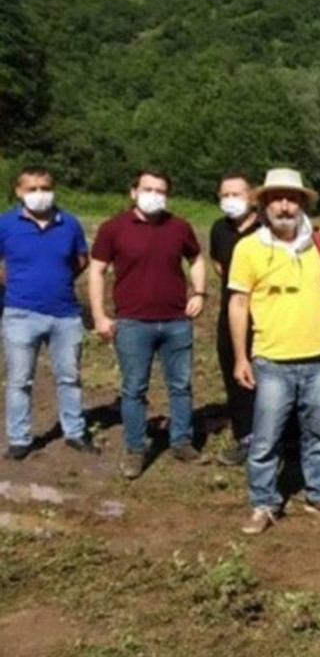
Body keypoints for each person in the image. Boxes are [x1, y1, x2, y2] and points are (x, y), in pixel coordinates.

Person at [228, 168, 320, 535]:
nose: (284, 206)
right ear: (265, 203)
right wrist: (241, 356)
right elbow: (238, 304)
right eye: (276, 198)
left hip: (318, 357)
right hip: (271, 360)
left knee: (317, 431)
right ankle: (263, 502)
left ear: (302, 202)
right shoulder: (248, 248)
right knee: (266, 437)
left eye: (291, 198)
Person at [89, 170, 209, 478]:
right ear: (133, 192)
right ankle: (135, 449)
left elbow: (196, 259)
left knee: (181, 386)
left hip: (176, 322)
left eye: (160, 190)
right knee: (133, 389)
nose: (154, 195)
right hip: (132, 323)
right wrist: (100, 315)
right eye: (148, 189)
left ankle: (181, 441)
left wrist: (200, 292)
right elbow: (97, 272)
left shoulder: (179, 227)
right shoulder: (113, 228)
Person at [0, 167, 94, 459]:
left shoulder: (70, 224)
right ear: (19, 191)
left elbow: (81, 260)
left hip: (65, 315)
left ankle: (75, 432)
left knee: (69, 377)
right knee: (19, 380)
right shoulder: (5, 224)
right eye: (32, 188)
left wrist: (58, 280)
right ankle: (19, 438)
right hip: (19, 313)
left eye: (45, 187)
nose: (39, 194)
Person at [209, 172, 260, 466]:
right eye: (224, 195)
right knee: (236, 375)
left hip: (265, 316)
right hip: (231, 314)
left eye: (236, 194)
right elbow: (219, 266)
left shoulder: (266, 229)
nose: (230, 201)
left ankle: (281, 437)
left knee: (270, 379)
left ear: (252, 197)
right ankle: (246, 437)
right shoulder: (219, 229)